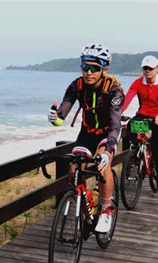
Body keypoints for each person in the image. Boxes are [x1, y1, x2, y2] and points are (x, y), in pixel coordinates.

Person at [48, 43, 124, 233]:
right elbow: (63, 113)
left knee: (102, 164)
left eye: (95, 68)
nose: (89, 72)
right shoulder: (77, 85)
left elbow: (116, 124)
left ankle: (106, 209)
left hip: (108, 133)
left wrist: (108, 152)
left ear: (104, 69)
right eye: (85, 67)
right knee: (74, 170)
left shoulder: (113, 90)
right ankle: (86, 201)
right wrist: (55, 118)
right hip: (87, 132)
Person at [121, 55, 158, 190]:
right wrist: (118, 112)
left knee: (156, 145)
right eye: (145, 68)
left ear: (157, 68)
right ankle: (134, 156)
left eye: (150, 68)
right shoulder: (138, 83)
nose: (148, 71)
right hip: (143, 114)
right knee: (130, 126)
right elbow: (128, 98)